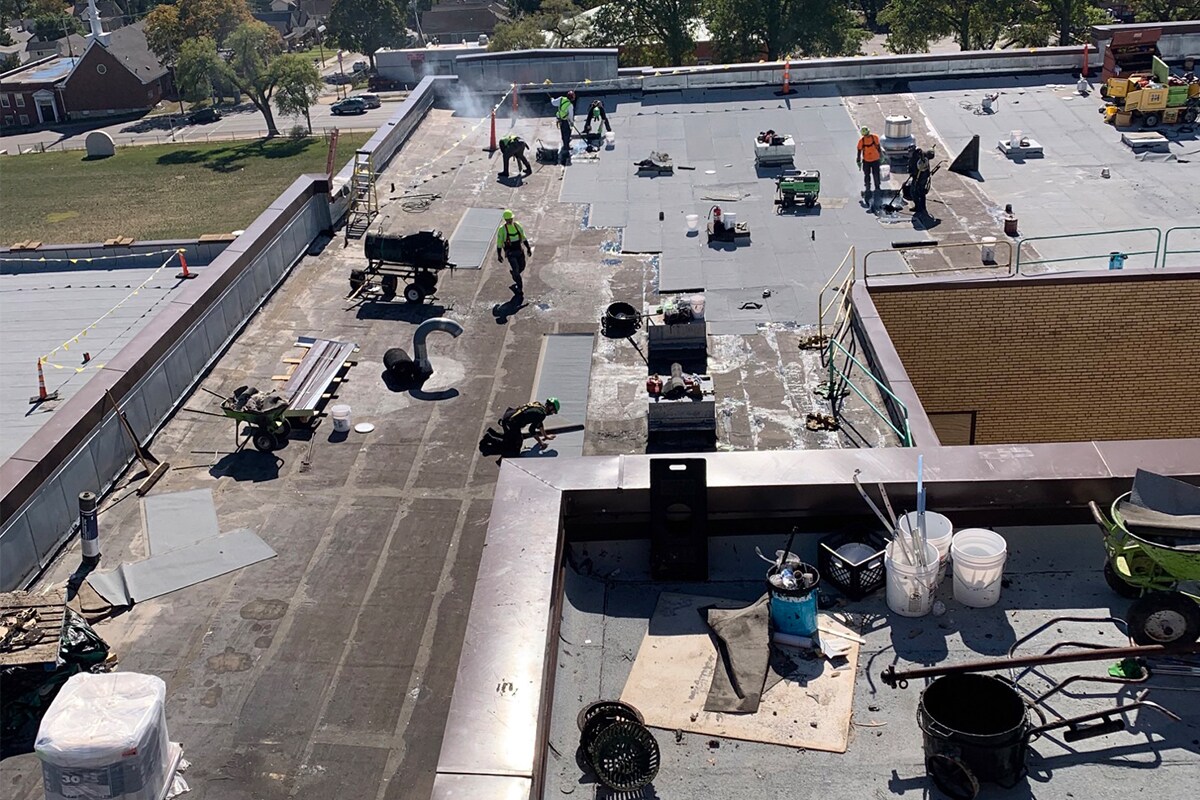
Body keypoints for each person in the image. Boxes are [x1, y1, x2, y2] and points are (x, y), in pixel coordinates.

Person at [496, 209, 534, 296]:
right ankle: (519, 288)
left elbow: (523, 238)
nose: (510, 221)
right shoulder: (502, 230)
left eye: (510, 219)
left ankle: (514, 274)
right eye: (508, 219)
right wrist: (499, 255)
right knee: (516, 270)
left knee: (522, 267)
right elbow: (499, 243)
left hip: (519, 251)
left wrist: (528, 248)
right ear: (505, 220)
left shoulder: (517, 226)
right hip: (511, 254)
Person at [856, 125, 883, 204]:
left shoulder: (874, 138)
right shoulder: (862, 141)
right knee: (868, 175)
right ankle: (869, 188)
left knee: (875, 174)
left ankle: (876, 187)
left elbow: (878, 147)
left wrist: (881, 156)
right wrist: (858, 160)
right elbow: (859, 151)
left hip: (874, 160)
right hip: (867, 161)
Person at [550, 90, 576, 159]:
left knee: (563, 132)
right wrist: (572, 122)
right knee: (567, 133)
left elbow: (553, 103)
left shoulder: (561, 99)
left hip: (560, 119)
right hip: (565, 120)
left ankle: (565, 143)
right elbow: (571, 115)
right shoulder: (570, 105)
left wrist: (552, 99)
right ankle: (566, 146)